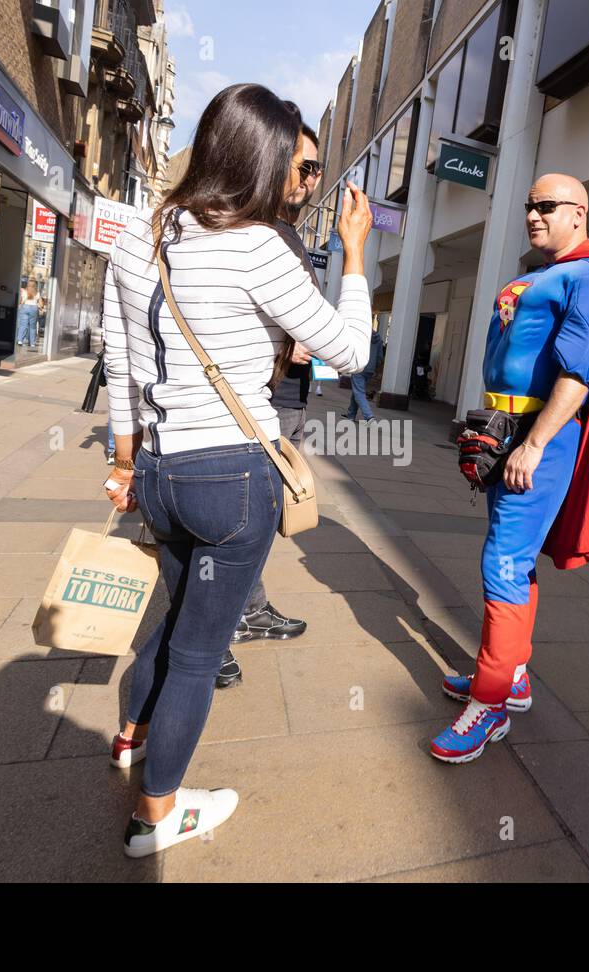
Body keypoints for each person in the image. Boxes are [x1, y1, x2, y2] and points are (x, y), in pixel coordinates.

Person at [100, 83, 374, 857]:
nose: (301, 175)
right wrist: (355, 257)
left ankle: (133, 737)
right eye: (294, 158)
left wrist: (125, 460)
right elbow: (348, 351)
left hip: (159, 471)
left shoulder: (140, 235)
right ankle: (157, 817)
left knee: (176, 612)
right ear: (263, 155)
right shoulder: (255, 244)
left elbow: (121, 363)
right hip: (230, 478)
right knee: (197, 651)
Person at [434, 173, 589, 763]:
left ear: (579, 212)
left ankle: (489, 704)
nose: (533, 215)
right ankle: (512, 674)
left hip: (540, 437)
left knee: (503, 562)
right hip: (503, 430)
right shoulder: (538, 276)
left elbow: (579, 371)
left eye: (547, 206)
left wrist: (536, 443)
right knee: (513, 558)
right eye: (529, 206)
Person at [217, 116, 325, 689]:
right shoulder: (269, 236)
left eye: (316, 169)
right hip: (266, 401)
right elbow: (323, 340)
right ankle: (216, 632)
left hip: (272, 398)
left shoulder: (276, 233)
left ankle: (244, 611)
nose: (311, 180)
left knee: (254, 520)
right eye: (303, 167)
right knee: (248, 521)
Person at [344, 322, 384, 421]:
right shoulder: (379, 340)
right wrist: (373, 366)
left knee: (359, 392)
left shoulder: (361, 337)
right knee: (357, 391)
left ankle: (369, 416)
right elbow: (380, 357)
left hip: (359, 366)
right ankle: (351, 415)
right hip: (369, 370)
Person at [17, 279, 40, 348]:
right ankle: (32, 343)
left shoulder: (24, 291)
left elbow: (22, 300)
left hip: (25, 307)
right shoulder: (37, 293)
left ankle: (20, 340)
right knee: (32, 327)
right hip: (34, 308)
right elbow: (38, 302)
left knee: (23, 325)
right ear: (35, 286)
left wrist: (20, 305)